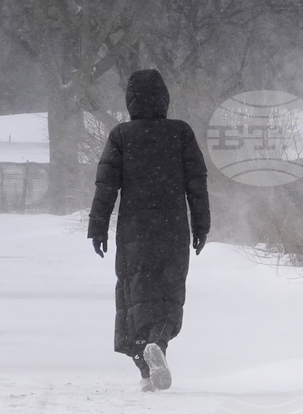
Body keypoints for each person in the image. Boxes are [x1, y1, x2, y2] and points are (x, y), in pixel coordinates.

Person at [87, 69, 211, 392]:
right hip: (172, 230)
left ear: (130, 101)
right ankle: (158, 348)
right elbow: (197, 184)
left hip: (134, 232)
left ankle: (145, 365)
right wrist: (201, 224)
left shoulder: (121, 136)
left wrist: (98, 227)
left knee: (136, 296)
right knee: (168, 294)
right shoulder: (180, 134)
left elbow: (106, 187)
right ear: (165, 99)